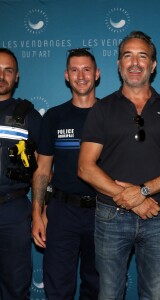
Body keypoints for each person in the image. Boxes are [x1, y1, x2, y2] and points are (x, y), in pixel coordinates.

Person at [77, 31, 160, 299]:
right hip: (110, 217)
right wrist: (135, 199)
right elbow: (85, 167)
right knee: (109, 294)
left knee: (153, 295)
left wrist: (142, 192)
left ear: (153, 65)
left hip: (157, 216)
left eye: (143, 56)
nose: (135, 62)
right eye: (127, 55)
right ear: (118, 64)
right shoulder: (102, 109)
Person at [31, 48, 100, 299]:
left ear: (97, 74)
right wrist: (37, 214)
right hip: (62, 212)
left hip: (103, 213)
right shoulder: (54, 117)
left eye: (86, 69)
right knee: (58, 287)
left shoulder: (112, 114)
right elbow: (42, 170)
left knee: (99, 287)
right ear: (66, 76)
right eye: (74, 70)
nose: (81, 76)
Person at [0, 48, 41, 299]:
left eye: (8, 70)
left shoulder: (28, 116)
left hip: (12, 211)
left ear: (17, 77)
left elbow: (43, 169)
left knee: (15, 286)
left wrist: (40, 211)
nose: (2, 76)